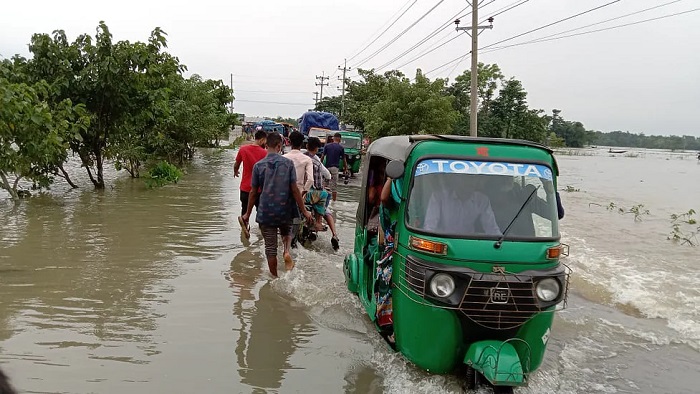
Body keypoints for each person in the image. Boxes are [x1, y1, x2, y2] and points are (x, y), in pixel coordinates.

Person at [240, 132, 313, 277]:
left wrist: (247, 214)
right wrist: (304, 211)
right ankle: (286, 250)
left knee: (270, 248)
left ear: (266, 146)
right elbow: (294, 189)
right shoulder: (288, 164)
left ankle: (274, 278)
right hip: (285, 210)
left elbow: (253, 193)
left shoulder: (258, 166)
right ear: (279, 146)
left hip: (266, 212)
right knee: (286, 232)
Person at [422, 175, 501, 236]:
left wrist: (502, 243)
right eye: (466, 178)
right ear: (456, 179)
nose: (470, 182)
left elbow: (492, 228)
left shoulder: (482, 200)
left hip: (468, 244)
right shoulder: (439, 197)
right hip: (444, 243)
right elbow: (430, 226)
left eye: (473, 178)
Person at [305, 137, 340, 250]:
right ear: (317, 149)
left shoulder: (301, 157)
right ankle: (332, 233)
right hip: (315, 193)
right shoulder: (316, 160)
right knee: (326, 209)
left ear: (306, 146)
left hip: (301, 192)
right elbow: (327, 175)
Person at [234, 130, 267, 237]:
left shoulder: (243, 149)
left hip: (245, 187)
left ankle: (245, 226)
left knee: (244, 209)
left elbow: (237, 163)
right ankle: (262, 234)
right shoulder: (265, 153)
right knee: (261, 211)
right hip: (259, 189)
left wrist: (236, 171)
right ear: (262, 139)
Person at [320, 132, 348, 202]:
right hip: (335, 169)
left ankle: (323, 200)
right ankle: (334, 202)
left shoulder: (327, 146)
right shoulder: (341, 148)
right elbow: (344, 159)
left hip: (326, 168)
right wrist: (346, 169)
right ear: (340, 139)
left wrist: (319, 166)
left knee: (325, 185)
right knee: (334, 187)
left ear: (333, 138)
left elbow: (322, 156)